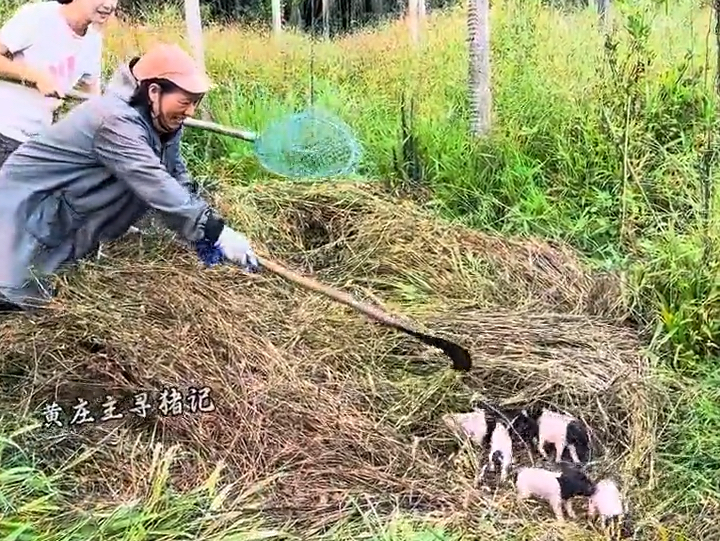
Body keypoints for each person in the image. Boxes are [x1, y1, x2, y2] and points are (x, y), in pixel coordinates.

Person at [0, 43, 258, 312]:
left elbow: (174, 174)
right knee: (13, 295)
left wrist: (205, 229)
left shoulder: (161, 121)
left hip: (62, 212)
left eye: (195, 103)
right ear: (154, 92)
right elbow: (154, 182)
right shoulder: (114, 120)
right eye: (185, 102)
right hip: (25, 210)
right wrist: (215, 231)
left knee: (39, 293)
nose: (190, 111)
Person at [0, 0, 116, 166]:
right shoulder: (39, 16)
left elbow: (91, 98)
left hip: (35, 146)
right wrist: (34, 76)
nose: (109, 5)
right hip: (4, 131)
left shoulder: (93, 40)